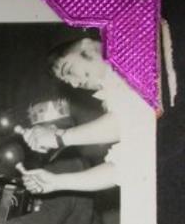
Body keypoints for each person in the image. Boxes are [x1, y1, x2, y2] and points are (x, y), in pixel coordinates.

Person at [16, 36, 147, 193]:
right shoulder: (114, 94)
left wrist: (59, 137)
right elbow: (126, 167)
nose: (75, 84)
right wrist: (56, 182)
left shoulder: (135, 51)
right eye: (68, 81)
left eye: (68, 70)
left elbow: (127, 122)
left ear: (87, 46)